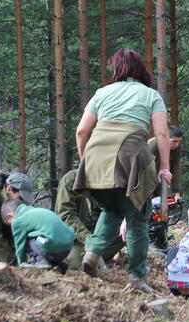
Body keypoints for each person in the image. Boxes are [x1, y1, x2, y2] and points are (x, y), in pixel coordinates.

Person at [74, 49, 173, 294]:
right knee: (137, 218)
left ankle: (92, 253)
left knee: (111, 209)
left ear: (116, 69)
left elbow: (81, 131)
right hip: (130, 158)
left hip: (96, 156)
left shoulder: (101, 93)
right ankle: (137, 276)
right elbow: (161, 134)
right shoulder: (151, 95)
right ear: (140, 70)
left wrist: (87, 160)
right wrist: (164, 167)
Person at [56, 168, 123, 270]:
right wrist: (90, 241)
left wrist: (125, 221)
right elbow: (66, 216)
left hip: (97, 234)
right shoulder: (71, 180)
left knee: (126, 232)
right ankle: (94, 257)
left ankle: (97, 256)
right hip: (75, 238)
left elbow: (113, 211)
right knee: (75, 263)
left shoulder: (107, 181)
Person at [1, 199, 74, 268]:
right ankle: (59, 261)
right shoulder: (33, 211)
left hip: (51, 246)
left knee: (26, 238)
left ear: (9, 215)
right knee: (41, 233)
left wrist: (21, 263)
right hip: (68, 246)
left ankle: (40, 260)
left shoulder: (17, 220)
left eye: (10, 223)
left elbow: (19, 243)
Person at [148, 125, 185, 252]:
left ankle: (162, 238)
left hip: (163, 178)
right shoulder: (152, 145)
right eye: (174, 141)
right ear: (165, 138)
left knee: (164, 206)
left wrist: (176, 191)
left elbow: (176, 168)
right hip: (146, 179)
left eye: (179, 141)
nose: (177, 144)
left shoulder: (177, 148)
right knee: (149, 208)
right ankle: (147, 238)